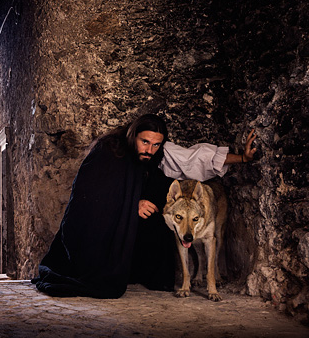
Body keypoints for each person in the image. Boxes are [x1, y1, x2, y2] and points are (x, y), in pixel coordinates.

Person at [32, 114, 256, 298]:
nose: (150, 149)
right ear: (133, 136)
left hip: (130, 217)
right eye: (145, 142)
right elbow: (90, 198)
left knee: (164, 192)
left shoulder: (157, 152)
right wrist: (131, 206)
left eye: (156, 144)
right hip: (95, 228)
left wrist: (243, 159)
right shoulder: (109, 151)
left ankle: (148, 273)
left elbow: (192, 159)